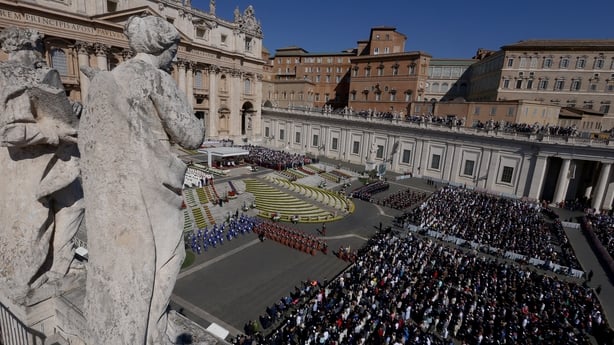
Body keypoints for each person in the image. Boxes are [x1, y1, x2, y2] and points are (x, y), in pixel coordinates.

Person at [80, 15, 204, 345]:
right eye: (174, 50)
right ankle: (152, 330)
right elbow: (192, 135)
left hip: (119, 186)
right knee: (168, 258)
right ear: (161, 46)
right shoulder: (155, 79)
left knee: (136, 263)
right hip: (152, 186)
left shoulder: (110, 76)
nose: (175, 58)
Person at [0, 26, 84, 302]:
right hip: (26, 165)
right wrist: (54, 132)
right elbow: (9, 132)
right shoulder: (7, 76)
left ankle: (60, 267)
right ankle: (30, 277)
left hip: (57, 159)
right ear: (22, 49)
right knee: (36, 225)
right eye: (37, 50)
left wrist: (73, 112)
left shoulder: (39, 76)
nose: (40, 56)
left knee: (75, 205)